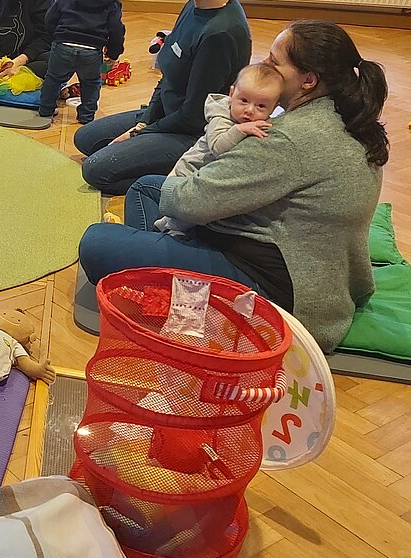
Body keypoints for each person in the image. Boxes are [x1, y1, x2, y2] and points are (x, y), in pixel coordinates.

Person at [78, 21, 387, 353]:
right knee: (146, 188)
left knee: (97, 242)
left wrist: (189, 176)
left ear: (308, 80)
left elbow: (191, 200)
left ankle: (168, 296)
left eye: (274, 61)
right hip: (305, 265)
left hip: (281, 293)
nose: (265, 67)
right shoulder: (346, 118)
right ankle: (162, 277)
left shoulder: (289, 137)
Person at [74, 0, 251, 195]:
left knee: (95, 170)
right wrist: (144, 122)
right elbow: (168, 75)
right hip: (169, 114)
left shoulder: (221, 33)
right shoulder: (195, 5)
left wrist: (138, 134)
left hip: (191, 133)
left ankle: (183, 173)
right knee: (86, 138)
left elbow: (194, 116)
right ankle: (142, 152)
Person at [154, 62, 283, 236]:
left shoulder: (252, 121)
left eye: (261, 106)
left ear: (273, 109)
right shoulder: (221, 118)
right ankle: (166, 229)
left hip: (208, 174)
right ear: (231, 94)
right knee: (183, 218)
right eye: (244, 100)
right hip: (187, 172)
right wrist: (238, 130)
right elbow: (217, 147)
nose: (249, 110)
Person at [37, 0, 125, 125]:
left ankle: (46, 110)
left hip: (63, 46)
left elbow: (49, 19)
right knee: (91, 82)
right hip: (91, 51)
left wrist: (56, 37)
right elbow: (116, 30)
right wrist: (114, 53)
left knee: (54, 78)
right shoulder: (112, 3)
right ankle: (86, 116)